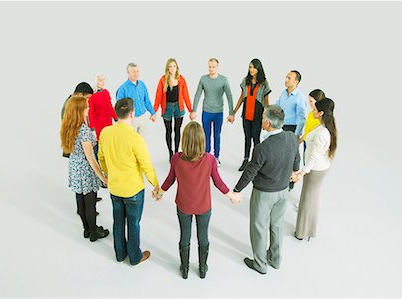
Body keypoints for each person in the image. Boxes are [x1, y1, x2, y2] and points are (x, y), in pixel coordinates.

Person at [154, 121, 241, 279]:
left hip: (183, 206)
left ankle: (185, 269)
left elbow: (169, 180)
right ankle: (202, 268)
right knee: (203, 237)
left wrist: (160, 193)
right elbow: (218, 182)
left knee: (184, 236)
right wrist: (232, 196)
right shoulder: (210, 159)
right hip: (204, 207)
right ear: (203, 141)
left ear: (184, 140)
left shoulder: (176, 159)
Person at [233, 105, 300, 274]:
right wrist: (294, 173)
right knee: (277, 226)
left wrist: (236, 189)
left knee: (259, 227)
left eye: (263, 118)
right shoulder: (292, 138)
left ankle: (260, 264)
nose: (261, 120)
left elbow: (250, 172)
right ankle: (275, 259)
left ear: (268, 123)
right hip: (283, 191)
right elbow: (296, 160)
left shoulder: (262, 148)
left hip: (264, 193)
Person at [98, 97, 160, 266]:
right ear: (132, 114)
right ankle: (134, 257)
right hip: (133, 190)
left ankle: (119, 255)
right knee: (133, 224)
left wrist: (109, 173)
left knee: (118, 221)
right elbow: (146, 165)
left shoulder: (105, 133)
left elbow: (101, 157)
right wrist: (156, 184)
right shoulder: (136, 138)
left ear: (116, 113)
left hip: (114, 188)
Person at [60, 96, 110, 242]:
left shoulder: (67, 126)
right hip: (85, 170)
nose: (89, 108)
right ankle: (94, 231)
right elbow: (90, 158)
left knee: (80, 200)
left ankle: (86, 229)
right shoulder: (83, 130)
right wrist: (103, 178)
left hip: (74, 168)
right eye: (86, 107)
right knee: (90, 203)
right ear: (79, 110)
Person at [291, 98, 338, 241]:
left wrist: (301, 173)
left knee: (307, 200)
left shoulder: (322, 133)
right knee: (312, 199)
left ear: (321, 113)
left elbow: (313, 157)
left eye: (315, 109)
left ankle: (301, 232)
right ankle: (308, 230)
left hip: (314, 171)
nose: (313, 111)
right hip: (320, 168)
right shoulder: (324, 127)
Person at [190, 58, 234, 166]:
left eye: (213, 67)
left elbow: (229, 95)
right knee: (205, 135)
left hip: (218, 112)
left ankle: (216, 156)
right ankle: (206, 155)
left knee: (217, 135)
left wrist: (231, 112)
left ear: (217, 67)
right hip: (206, 111)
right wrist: (194, 110)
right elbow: (198, 94)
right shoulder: (203, 79)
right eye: (209, 66)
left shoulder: (224, 80)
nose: (211, 69)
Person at [233, 58, 271, 171]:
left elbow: (266, 102)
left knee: (256, 139)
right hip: (246, 114)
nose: (251, 69)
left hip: (258, 115)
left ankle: (257, 161)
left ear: (259, 69)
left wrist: (266, 117)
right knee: (247, 138)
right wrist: (234, 111)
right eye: (250, 67)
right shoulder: (245, 81)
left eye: (254, 67)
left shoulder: (264, 83)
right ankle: (245, 159)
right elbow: (241, 97)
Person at [154, 58, 192, 161]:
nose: (172, 68)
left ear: (177, 67)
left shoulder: (181, 79)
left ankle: (176, 152)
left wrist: (191, 110)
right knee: (168, 131)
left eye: (174, 66)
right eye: (170, 66)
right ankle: (170, 153)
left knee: (177, 130)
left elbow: (186, 95)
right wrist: (154, 111)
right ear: (167, 68)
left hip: (178, 107)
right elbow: (158, 96)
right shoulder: (163, 80)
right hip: (167, 108)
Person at [115, 63, 156, 136]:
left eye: (137, 71)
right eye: (133, 72)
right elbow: (119, 107)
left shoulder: (142, 84)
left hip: (143, 117)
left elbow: (146, 100)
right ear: (128, 73)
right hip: (130, 120)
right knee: (131, 141)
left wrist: (153, 113)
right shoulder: (123, 88)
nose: (136, 74)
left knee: (142, 142)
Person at [88, 73, 118, 159]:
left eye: (104, 80)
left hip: (108, 124)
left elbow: (110, 107)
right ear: (96, 81)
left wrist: (116, 118)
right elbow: (91, 114)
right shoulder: (92, 96)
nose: (103, 82)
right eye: (100, 80)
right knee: (98, 149)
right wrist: (92, 128)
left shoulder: (106, 92)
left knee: (108, 147)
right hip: (98, 126)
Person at [61, 82, 94, 158]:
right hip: (78, 147)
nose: (88, 101)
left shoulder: (70, 103)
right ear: (80, 95)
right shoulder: (71, 106)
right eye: (87, 97)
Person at [275, 70, 307, 137]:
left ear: (296, 82)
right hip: (281, 126)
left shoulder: (299, 97)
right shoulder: (283, 93)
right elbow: (276, 107)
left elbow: (301, 119)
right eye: (286, 77)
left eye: (289, 78)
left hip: (292, 128)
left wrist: (297, 134)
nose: (286, 80)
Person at [299, 89, 326, 162]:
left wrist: (300, 141)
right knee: (305, 162)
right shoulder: (311, 114)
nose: (309, 103)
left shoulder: (320, 119)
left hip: (313, 145)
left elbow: (313, 134)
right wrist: (301, 140)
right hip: (306, 142)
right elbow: (307, 131)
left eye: (311, 101)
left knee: (310, 163)